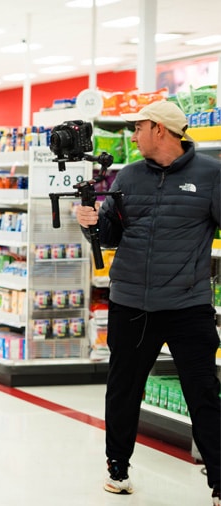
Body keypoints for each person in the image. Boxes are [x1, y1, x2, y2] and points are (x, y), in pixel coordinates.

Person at [76, 100, 220, 503]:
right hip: (131, 303)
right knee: (123, 388)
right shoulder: (129, 176)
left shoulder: (211, 174)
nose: (133, 135)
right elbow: (111, 235)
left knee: (203, 392)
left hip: (188, 304)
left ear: (160, 129)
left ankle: (220, 480)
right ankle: (117, 468)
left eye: (138, 127)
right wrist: (91, 223)